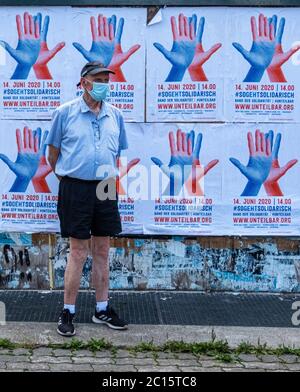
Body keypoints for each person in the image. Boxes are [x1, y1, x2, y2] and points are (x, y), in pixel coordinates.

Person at [46, 61, 128, 337]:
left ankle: (102, 308)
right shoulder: (64, 113)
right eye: (99, 78)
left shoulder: (116, 115)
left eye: (107, 79)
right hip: (75, 187)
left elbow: (116, 153)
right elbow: (53, 154)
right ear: (84, 82)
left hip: (105, 185)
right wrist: (68, 180)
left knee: (103, 251)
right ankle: (68, 311)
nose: (105, 83)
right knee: (78, 251)